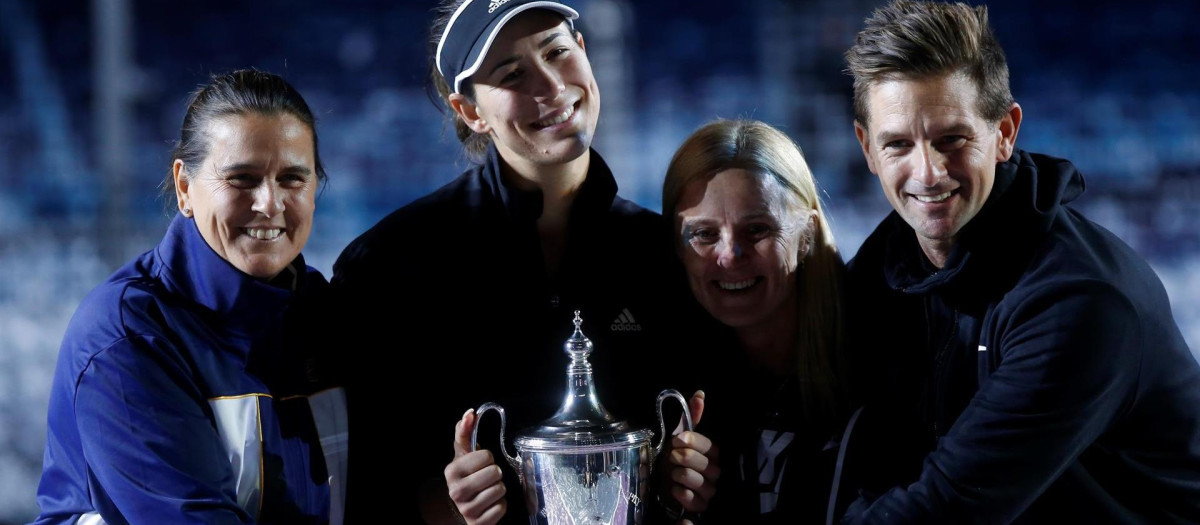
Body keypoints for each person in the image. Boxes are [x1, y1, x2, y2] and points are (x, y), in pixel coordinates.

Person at [328, 1, 697, 523]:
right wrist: (443, 505)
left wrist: (686, 481)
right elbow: (360, 490)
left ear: (585, 54)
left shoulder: (663, 252)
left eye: (557, 52)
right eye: (513, 74)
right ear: (471, 112)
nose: (550, 85)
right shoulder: (388, 268)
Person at [840, 1, 1200, 522]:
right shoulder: (885, 268)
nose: (929, 173)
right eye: (898, 144)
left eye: (952, 140)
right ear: (868, 150)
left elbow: (947, 511)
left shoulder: (1078, 301)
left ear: (1005, 132)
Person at [31, 69, 347, 525]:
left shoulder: (330, 316)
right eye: (242, 178)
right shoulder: (127, 334)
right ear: (184, 187)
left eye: (293, 179)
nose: (270, 203)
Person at [660, 119, 861, 524]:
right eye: (703, 234)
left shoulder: (876, 347)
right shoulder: (671, 382)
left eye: (757, 230)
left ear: (805, 236)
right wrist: (663, 502)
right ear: (676, 250)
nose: (731, 255)